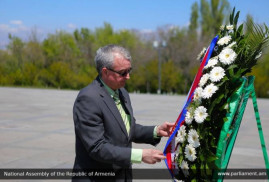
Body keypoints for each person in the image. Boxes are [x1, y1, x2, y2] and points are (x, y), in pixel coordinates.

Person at [72, 44, 174, 182]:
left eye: (129, 70)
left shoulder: (122, 93)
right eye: (122, 73)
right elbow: (97, 147)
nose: (128, 77)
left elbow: (126, 129)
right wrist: (140, 155)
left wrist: (156, 131)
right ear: (105, 72)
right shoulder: (88, 98)